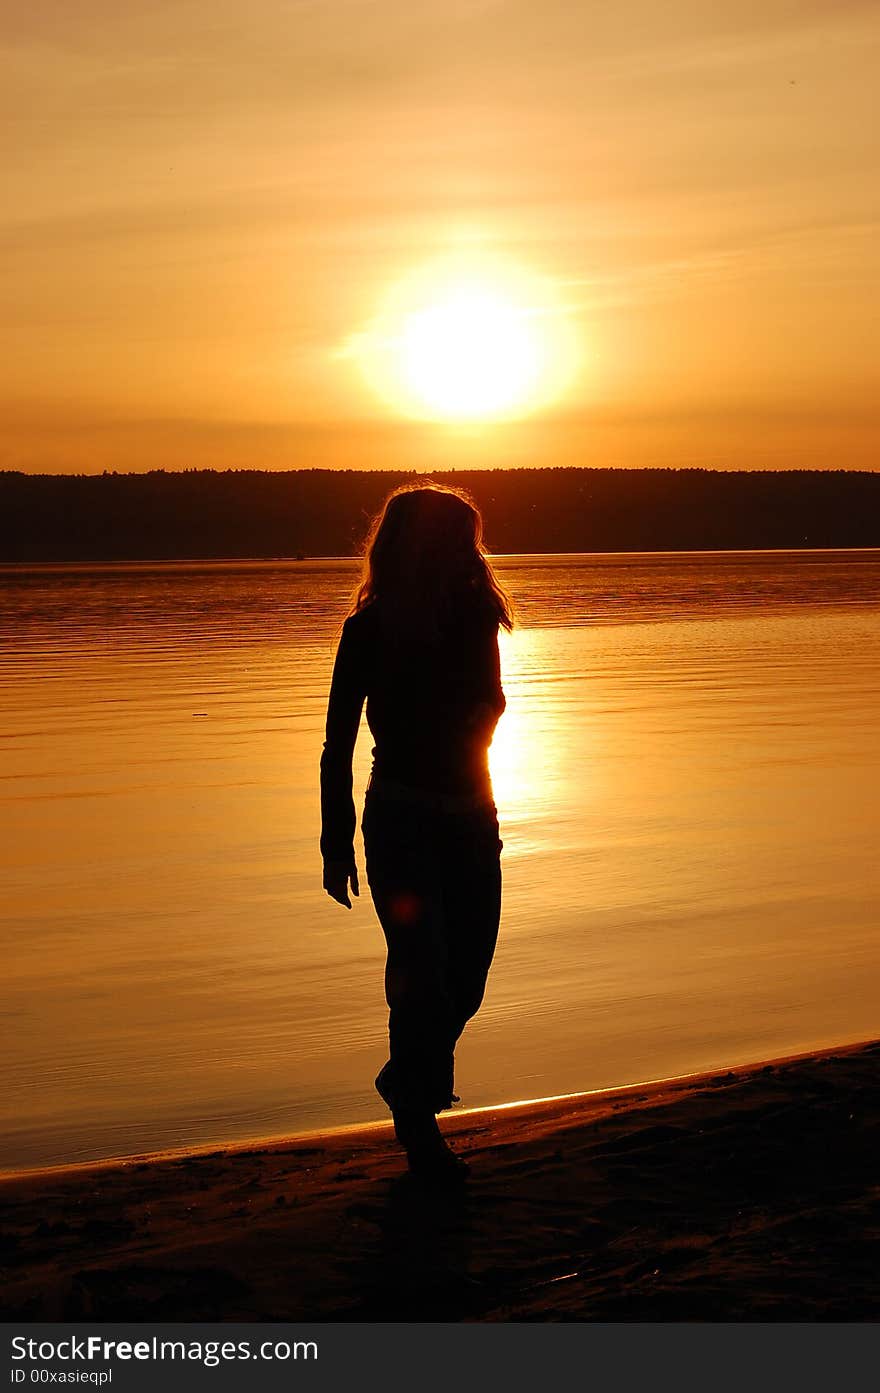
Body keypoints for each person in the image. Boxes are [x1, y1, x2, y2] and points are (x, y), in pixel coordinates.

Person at [320, 482, 512, 1180]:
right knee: (420, 968)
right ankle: (418, 1123)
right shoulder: (366, 632)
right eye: (451, 538)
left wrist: (467, 724)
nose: (464, 552)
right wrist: (333, 836)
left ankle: (407, 1078)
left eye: (468, 539)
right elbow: (338, 740)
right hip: (399, 817)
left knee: (467, 978)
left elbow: (493, 703)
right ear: (413, 544)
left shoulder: (475, 619)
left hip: (471, 818)